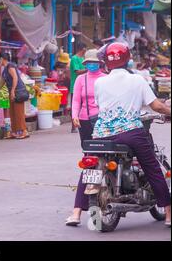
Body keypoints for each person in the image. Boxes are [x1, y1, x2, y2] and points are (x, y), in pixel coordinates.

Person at [67, 42, 171, 227]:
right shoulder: (137, 80)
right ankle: (169, 213)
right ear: (127, 60)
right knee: (152, 168)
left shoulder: (100, 82)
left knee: (89, 168)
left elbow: (101, 106)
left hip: (100, 135)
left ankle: (76, 213)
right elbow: (156, 106)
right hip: (131, 133)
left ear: (106, 62)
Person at [65, 49, 106, 226]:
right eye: (89, 62)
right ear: (85, 64)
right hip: (85, 122)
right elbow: (76, 101)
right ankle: (78, 213)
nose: (92, 65)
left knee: (101, 161)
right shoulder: (81, 79)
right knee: (90, 161)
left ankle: (77, 213)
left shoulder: (106, 78)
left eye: (94, 62)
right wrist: (74, 116)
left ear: (100, 63)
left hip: (104, 123)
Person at [0, 52, 29, 139]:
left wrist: (12, 90)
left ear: (2, 59)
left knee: (19, 112)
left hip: (18, 92)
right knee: (12, 112)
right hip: (12, 92)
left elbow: (15, 77)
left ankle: (24, 131)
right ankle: (15, 132)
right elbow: (1, 83)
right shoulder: (4, 70)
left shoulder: (10, 66)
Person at [69, 43, 88, 133]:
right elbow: (77, 71)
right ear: (83, 49)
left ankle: (80, 124)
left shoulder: (83, 59)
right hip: (75, 86)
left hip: (83, 85)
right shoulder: (74, 58)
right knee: (75, 106)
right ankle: (73, 126)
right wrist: (88, 69)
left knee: (82, 106)